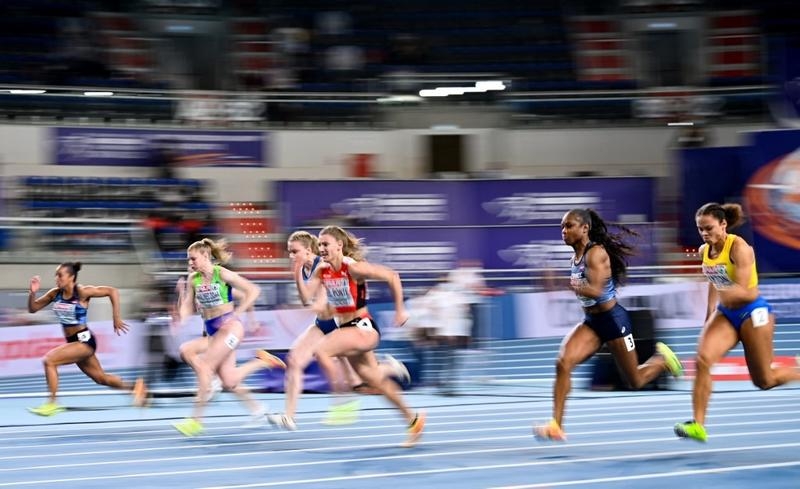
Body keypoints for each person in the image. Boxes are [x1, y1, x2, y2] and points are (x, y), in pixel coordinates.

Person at [534, 209, 683, 441]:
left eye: (569, 226)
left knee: (635, 381)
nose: (564, 231)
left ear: (585, 228)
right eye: (562, 227)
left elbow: (597, 291)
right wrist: (563, 285)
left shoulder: (596, 253)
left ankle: (662, 361)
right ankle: (556, 425)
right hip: (592, 323)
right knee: (563, 363)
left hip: (614, 321)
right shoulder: (574, 258)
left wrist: (568, 285)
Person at [273, 226, 424, 447]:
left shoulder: (352, 268)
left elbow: (392, 275)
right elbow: (306, 298)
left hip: (363, 328)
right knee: (375, 382)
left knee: (322, 349)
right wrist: (296, 271)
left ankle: (343, 400)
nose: (321, 249)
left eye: (325, 244)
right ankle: (413, 420)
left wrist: (401, 310)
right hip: (347, 329)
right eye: (320, 245)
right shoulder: (321, 271)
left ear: (339, 246)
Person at [674, 202, 800, 442]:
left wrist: (724, 292)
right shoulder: (704, 251)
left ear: (723, 225)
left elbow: (744, 291)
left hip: (753, 313)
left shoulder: (739, 248)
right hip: (726, 314)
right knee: (702, 360)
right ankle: (698, 425)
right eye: (700, 229)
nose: (704, 234)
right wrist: (710, 312)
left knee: (764, 380)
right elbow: (714, 280)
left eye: (709, 228)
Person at [171, 238, 286, 436]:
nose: (189, 264)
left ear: (206, 256)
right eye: (188, 260)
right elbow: (187, 308)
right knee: (230, 381)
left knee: (206, 366)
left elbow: (253, 290)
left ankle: (195, 421)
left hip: (231, 328)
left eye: (192, 259)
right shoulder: (193, 279)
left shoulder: (221, 273)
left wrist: (240, 314)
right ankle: (262, 361)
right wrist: (180, 305)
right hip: (213, 331)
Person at [26, 261, 147, 416]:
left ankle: (52, 404)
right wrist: (32, 293)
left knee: (49, 360)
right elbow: (33, 309)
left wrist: (116, 317)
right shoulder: (55, 294)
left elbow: (112, 291)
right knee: (101, 379)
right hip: (73, 343)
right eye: (56, 275)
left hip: (84, 341)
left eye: (60, 275)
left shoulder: (82, 292)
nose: (57, 278)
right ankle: (136, 387)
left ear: (71, 277)